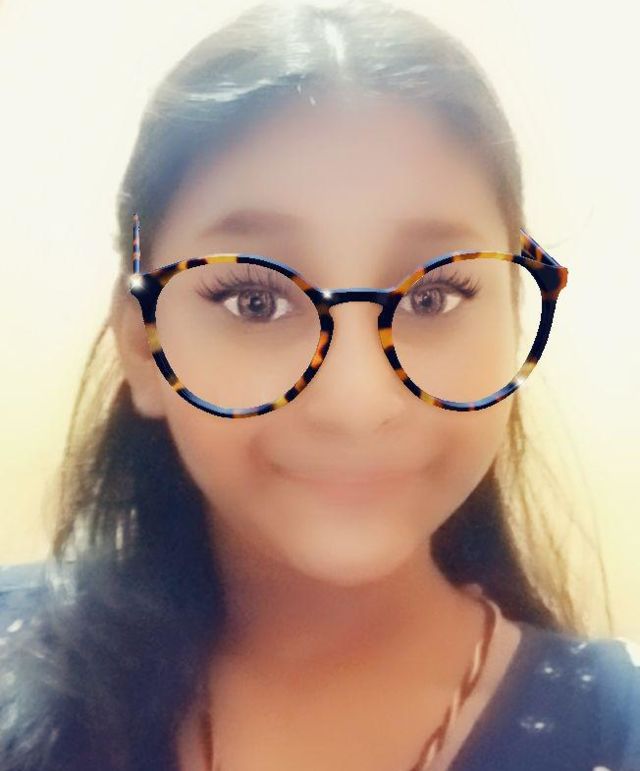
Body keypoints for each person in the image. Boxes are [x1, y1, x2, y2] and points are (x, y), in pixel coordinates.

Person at [1, 1, 639, 770]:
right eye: (255, 300)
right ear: (143, 343)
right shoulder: (18, 666)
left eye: (433, 297)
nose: (357, 402)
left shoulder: (613, 733)